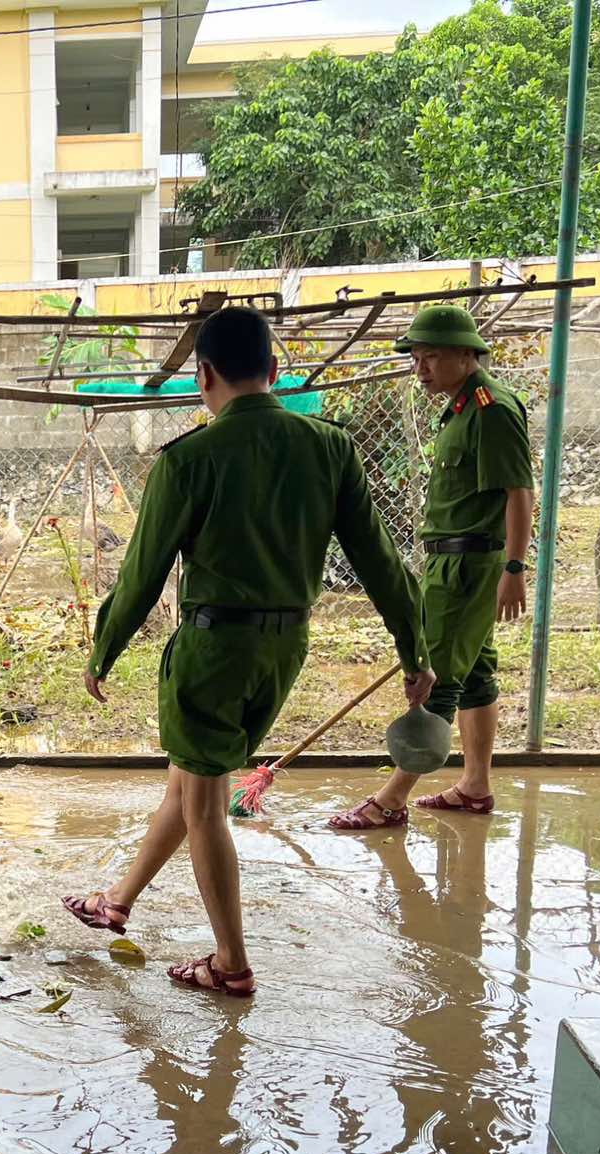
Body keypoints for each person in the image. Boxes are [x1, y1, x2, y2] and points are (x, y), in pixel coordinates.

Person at [61, 305, 434, 995]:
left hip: (213, 652)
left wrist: (102, 649)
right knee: (190, 778)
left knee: (205, 804)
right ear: (274, 371)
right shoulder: (331, 447)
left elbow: (143, 570)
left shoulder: (190, 459)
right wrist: (413, 649)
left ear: (203, 375)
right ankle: (118, 899)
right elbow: (379, 558)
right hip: (283, 650)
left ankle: (230, 964)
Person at [328, 305, 535, 831]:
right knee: (476, 673)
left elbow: (519, 492)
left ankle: (390, 800)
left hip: (470, 565)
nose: (421, 368)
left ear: (468, 355)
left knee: (436, 677)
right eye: (417, 357)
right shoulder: (461, 407)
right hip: (450, 560)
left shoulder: (492, 410)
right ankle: (474, 786)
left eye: (432, 357)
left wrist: (514, 566)